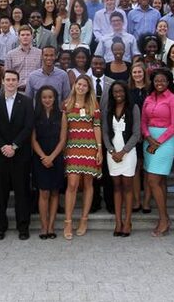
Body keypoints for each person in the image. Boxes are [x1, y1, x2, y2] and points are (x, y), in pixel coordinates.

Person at [0, 69, 34, 240]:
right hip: (1, 155)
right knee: (1, 193)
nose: (10, 82)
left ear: (18, 81)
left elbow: (28, 127)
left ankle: (23, 227)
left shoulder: (27, 102)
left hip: (20, 154)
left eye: (13, 79)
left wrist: (14, 146)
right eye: (7, 79)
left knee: (22, 192)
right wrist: (4, 147)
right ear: (4, 82)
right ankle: (0, 227)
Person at [141, 68, 174, 237]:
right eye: (156, 81)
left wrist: (158, 142)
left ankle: (164, 218)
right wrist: (149, 137)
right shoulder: (148, 98)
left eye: (163, 81)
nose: (159, 84)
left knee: (153, 180)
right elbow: (143, 121)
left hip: (166, 142)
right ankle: (163, 216)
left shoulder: (173, 99)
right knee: (161, 181)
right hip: (149, 140)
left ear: (168, 82)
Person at [62, 75, 103, 240]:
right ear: (75, 85)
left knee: (88, 183)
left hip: (90, 148)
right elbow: (64, 131)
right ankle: (68, 221)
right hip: (72, 148)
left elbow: (97, 127)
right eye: (79, 84)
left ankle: (84, 220)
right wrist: (63, 149)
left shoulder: (94, 104)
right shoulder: (67, 104)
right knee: (72, 184)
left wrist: (99, 149)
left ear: (88, 88)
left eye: (84, 85)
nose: (81, 87)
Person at [102, 80, 141, 237]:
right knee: (116, 187)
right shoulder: (108, 109)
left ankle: (127, 221)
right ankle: (118, 221)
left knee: (127, 187)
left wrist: (123, 152)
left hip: (128, 152)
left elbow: (137, 133)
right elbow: (105, 132)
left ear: (126, 92)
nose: (118, 94)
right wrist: (112, 150)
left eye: (121, 91)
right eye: (115, 92)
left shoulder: (134, 108)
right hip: (112, 153)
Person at [31, 86, 67, 240]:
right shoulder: (34, 115)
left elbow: (63, 139)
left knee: (54, 192)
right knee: (43, 192)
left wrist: (52, 157)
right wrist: (44, 157)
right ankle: (43, 226)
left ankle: (51, 226)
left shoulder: (62, 115)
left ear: (55, 98)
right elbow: (32, 139)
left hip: (56, 157)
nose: (47, 100)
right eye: (44, 97)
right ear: (40, 98)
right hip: (40, 157)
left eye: (50, 97)